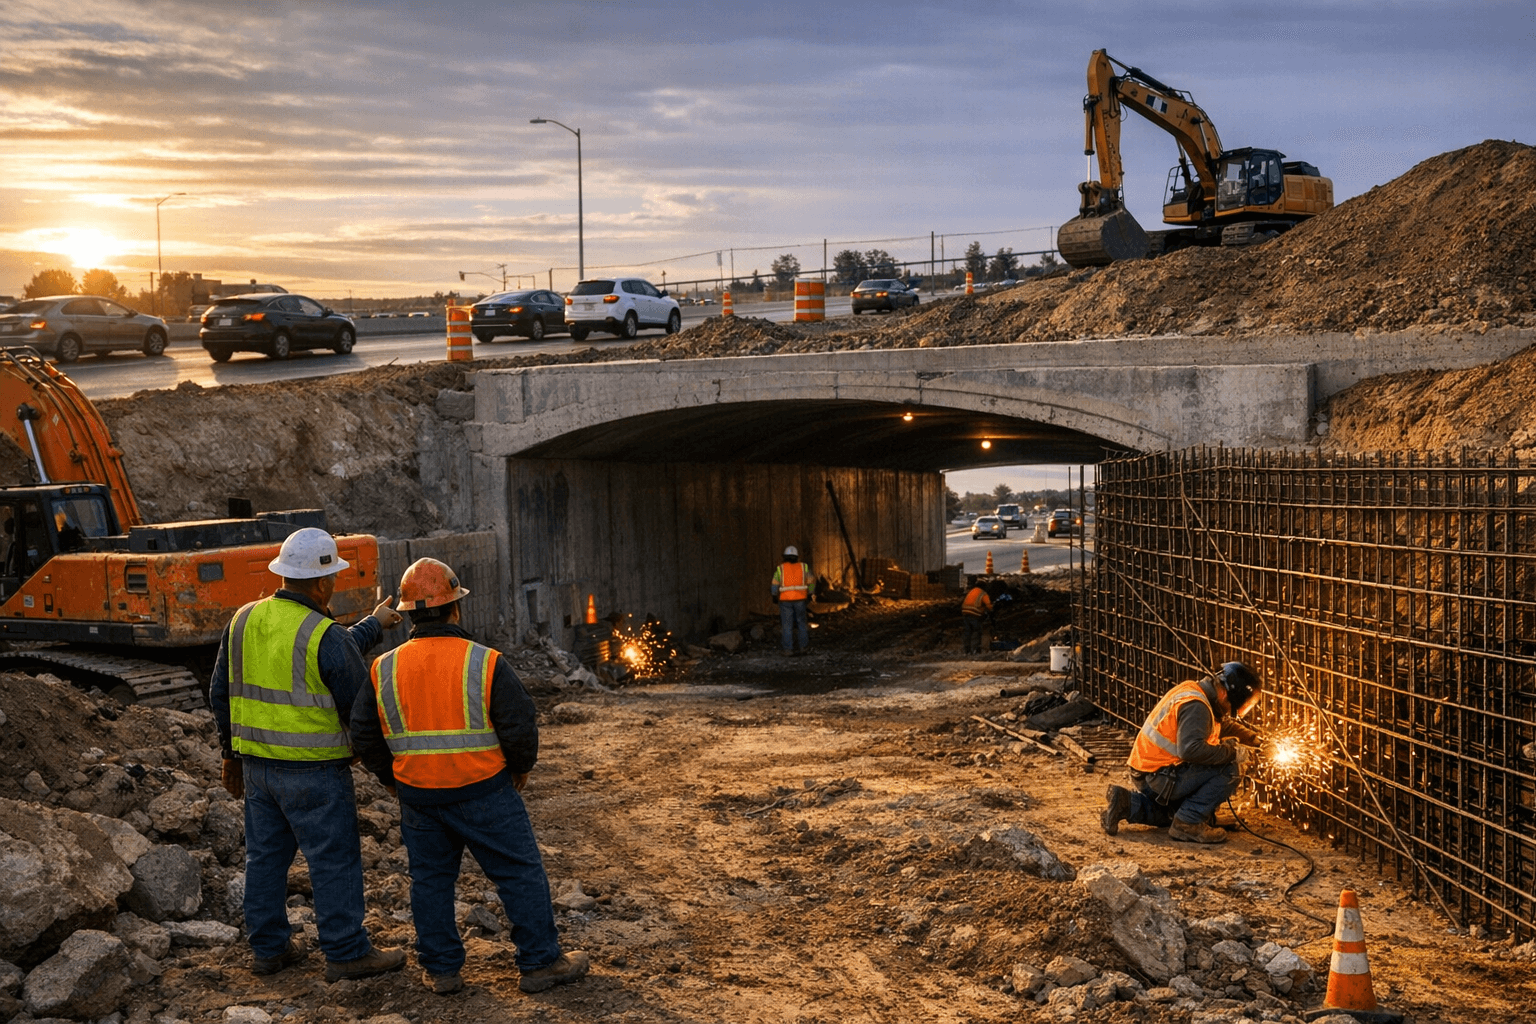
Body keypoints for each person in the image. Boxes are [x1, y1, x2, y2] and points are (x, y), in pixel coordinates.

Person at [350, 557, 589, 996]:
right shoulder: (485, 662)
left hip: (419, 795)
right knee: (519, 873)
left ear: (406, 616)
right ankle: (539, 963)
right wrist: (520, 768)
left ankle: (442, 970)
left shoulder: (383, 667)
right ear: (455, 609)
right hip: (484, 791)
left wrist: (389, 777)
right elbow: (519, 724)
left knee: (431, 881)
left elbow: (363, 732)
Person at [209, 527, 407, 981]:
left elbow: (220, 692)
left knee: (265, 861)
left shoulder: (243, 620)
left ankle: (269, 950)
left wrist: (230, 754)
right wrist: (383, 770)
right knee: (333, 859)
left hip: (259, 771)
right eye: (333, 577)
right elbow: (359, 712)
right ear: (322, 584)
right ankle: (345, 951)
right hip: (315, 775)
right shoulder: (324, 634)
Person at [1101, 661, 1266, 844]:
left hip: (1150, 770)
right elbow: (1190, 750)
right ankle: (1189, 823)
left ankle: (1126, 802)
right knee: (1230, 769)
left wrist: (1253, 739)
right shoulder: (1197, 707)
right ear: (1224, 693)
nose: (1229, 712)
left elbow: (1219, 725)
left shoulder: (1197, 692)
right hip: (1158, 777)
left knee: (1173, 814)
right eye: (1232, 707)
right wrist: (1233, 753)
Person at [771, 545, 815, 656]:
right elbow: (811, 582)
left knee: (787, 625)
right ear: (797, 557)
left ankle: (788, 650)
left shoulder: (780, 569)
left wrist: (774, 596)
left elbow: (774, 584)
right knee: (801, 623)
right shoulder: (803, 567)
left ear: (785, 557)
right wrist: (810, 594)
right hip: (800, 600)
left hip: (785, 601)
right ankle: (803, 648)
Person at [960, 582, 992, 654]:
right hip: (974, 613)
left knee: (967, 632)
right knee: (977, 631)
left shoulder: (972, 591)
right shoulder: (983, 594)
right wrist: (990, 610)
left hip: (965, 612)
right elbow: (989, 605)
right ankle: (976, 649)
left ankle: (967, 650)